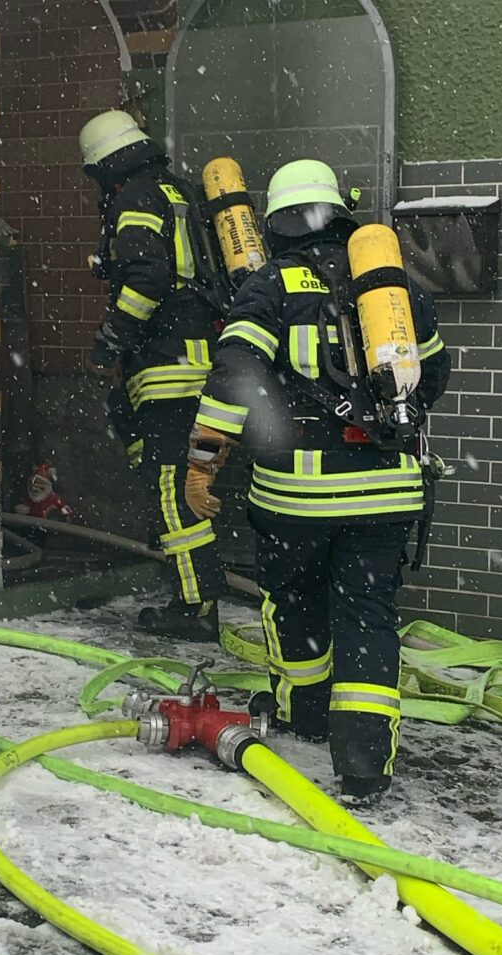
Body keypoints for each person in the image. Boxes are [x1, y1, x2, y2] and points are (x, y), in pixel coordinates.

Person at [186, 159, 449, 807]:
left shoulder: (269, 286)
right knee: (367, 616)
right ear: (339, 213)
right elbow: (433, 378)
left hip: (295, 498)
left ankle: (305, 714)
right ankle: (363, 766)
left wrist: (202, 462)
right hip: (387, 492)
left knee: (295, 600)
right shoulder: (390, 288)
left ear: (275, 224)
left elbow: (234, 375)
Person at [79, 106, 229, 642]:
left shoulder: (135, 198)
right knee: (184, 478)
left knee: (172, 485)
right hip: (205, 372)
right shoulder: (177, 191)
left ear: (105, 165)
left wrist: (110, 339)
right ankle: (191, 589)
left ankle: (195, 607)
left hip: (170, 373)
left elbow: (147, 278)